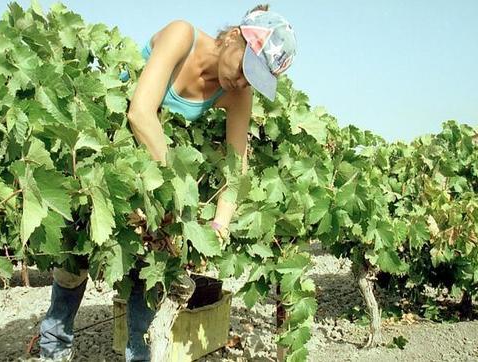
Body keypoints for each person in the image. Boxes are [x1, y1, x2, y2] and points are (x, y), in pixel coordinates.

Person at [38, 4, 297, 361]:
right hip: (110, 160)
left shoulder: (238, 93)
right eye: (244, 68)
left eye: (252, 78)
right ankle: (53, 349)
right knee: (73, 265)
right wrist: (178, 194)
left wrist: (219, 223)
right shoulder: (183, 35)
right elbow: (140, 112)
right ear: (234, 36)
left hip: (154, 184)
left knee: (148, 279)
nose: (241, 81)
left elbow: (236, 169)